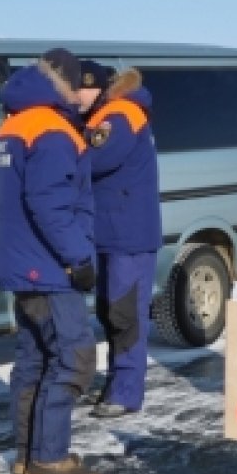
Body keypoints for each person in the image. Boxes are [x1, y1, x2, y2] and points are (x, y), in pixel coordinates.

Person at [0, 47, 102, 474]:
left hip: (20, 263)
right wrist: (78, 258)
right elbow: (50, 203)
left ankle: (27, 456)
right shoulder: (52, 130)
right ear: (67, 84)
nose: (85, 93)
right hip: (49, 268)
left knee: (33, 359)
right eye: (82, 84)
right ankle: (49, 458)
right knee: (74, 358)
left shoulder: (11, 127)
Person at [77, 60, 161, 418]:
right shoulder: (101, 116)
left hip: (127, 234)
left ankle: (126, 392)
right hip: (110, 230)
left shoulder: (120, 114)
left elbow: (96, 159)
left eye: (80, 88)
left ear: (97, 87)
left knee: (125, 312)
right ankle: (118, 383)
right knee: (111, 311)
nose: (75, 96)